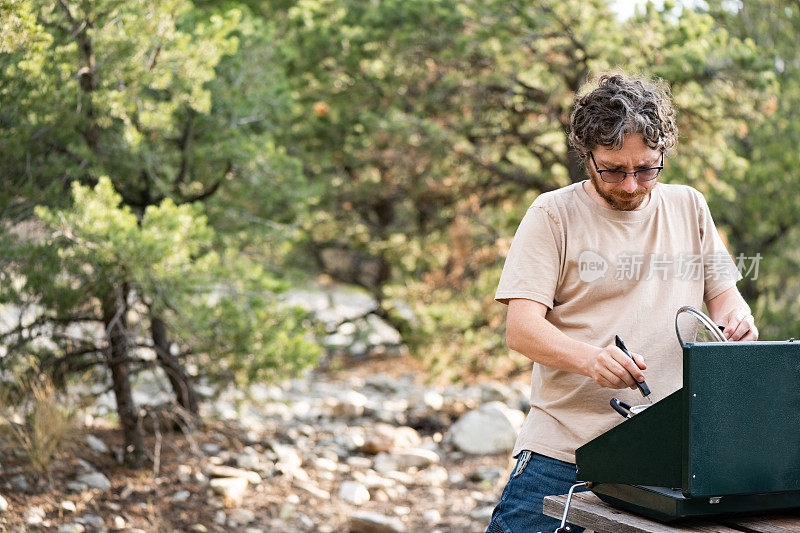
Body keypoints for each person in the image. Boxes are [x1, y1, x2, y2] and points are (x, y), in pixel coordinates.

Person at [486, 72, 758, 533]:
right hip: (564, 455)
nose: (631, 185)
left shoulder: (690, 206)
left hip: (668, 460)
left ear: (663, 153)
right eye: (613, 170)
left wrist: (736, 323)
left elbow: (726, 301)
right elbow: (522, 329)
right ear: (586, 154)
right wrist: (592, 360)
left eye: (647, 168)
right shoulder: (552, 214)